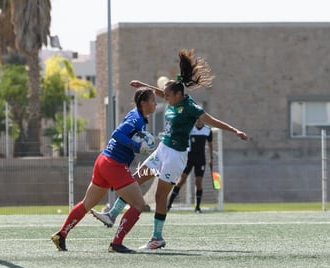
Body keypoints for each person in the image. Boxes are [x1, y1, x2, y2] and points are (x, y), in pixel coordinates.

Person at [90, 48, 248, 250]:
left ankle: (157, 237)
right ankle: (112, 214)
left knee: (159, 197)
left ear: (179, 95)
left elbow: (213, 120)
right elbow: (160, 92)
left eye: (168, 96)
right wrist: (143, 86)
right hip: (163, 149)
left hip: (176, 156)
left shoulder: (192, 108)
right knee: (134, 180)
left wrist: (236, 131)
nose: (165, 99)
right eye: (164, 95)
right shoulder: (174, 98)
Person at [51, 86, 157, 253]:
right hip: (113, 164)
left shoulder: (137, 116)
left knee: (87, 203)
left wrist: (135, 146)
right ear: (143, 103)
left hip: (104, 161)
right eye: (153, 101)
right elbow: (117, 134)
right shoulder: (136, 118)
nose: (155, 104)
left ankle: (61, 235)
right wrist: (135, 145)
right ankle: (116, 243)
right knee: (138, 204)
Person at [167, 119, 213, 213]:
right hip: (189, 159)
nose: (198, 120)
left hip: (200, 159)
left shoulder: (208, 130)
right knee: (181, 180)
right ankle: (169, 205)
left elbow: (210, 144)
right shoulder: (190, 129)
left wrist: (211, 158)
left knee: (198, 182)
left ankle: (197, 207)